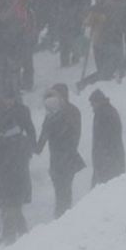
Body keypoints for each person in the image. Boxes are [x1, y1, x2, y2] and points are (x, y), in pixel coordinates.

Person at [0, 93, 36, 243]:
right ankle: (21, 233)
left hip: (17, 159)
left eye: (10, 97)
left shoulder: (22, 111)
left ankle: (12, 236)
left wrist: (29, 148)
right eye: (6, 97)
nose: (8, 100)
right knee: (11, 200)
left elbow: (30, 130)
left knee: (12, 200)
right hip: (5, 160)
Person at [36, 84, 85, 218]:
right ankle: (62, 215)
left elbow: (73, 135)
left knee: (64, 189)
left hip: (66, 157)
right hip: (58, 158)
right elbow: (45, 132)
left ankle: (63, 217)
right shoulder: (55, 111)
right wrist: (38, 147)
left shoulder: (71, 112)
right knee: (61, 190)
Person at [89, 89, 125, 187]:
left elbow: (104, 139)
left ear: (98, 101)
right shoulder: (108, 111)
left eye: (93, 104)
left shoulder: (103, 114)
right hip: (110, 158)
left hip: (107, 160)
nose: (92, 108)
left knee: (107, 189)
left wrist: (102, 159)